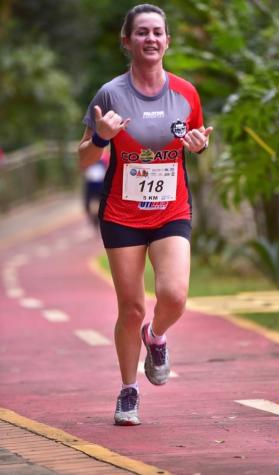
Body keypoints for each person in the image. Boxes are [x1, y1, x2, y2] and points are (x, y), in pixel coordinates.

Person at [78, 3, 213, 426]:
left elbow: (196, 139)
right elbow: (83, 160)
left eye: (158, 32)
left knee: (173, 295)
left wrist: (198, 146)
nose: (150, 39)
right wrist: (100, 138)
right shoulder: (110, 94)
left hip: (171, 209)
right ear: (127, 41)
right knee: (131, 306)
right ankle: (128, 391)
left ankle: (156, 338)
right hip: (122, 214)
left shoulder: (186, 93)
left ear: (167, 41)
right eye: (141, 32)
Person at [83, 148, 109, 228]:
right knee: (93, 202)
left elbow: (83, 166)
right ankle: (95, 217)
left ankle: (96, 218)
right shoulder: (104, 155)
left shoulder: (104, 155)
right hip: (93, 182)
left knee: (95, 201)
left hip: (96, 182)